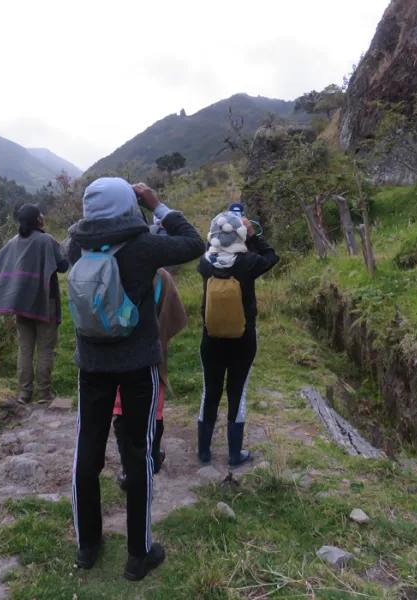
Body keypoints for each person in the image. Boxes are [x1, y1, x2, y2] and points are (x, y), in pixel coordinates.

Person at [67, 177, 204, 581]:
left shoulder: (77, 245)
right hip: (138, 365)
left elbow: (65, 254)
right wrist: (156, 203)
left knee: (86, 453)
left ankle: (88, 547)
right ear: (129, 205)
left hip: (91, 365)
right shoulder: (143, 247)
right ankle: (138, 555)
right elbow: (193, 243)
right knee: (138, 453)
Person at [196, 208, 279, 467]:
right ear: (241, 236)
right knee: (237, 393)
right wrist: (252, 236)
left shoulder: (204, 264)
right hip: (243, 338)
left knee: (210, 392)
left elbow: (212, 246)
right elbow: (271, 256)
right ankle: (234, 455)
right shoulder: (248, 263)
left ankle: (204, 452)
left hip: (211, 338)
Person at [0, 204, 69, 402]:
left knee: (25, 350)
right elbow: (63, 266)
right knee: (45, 349)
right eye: (41, 214)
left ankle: (24, 394)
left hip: (21, 305)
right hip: (46, 302)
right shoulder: (46, 240)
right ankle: (44, 394)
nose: (43, 216)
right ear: (38, 220)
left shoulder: (13, 242)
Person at [113, 266, 188, 491]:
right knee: (154, 408)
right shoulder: (161, 274)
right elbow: (173, 315)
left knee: (121, 410)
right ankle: (152, 460)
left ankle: (128, 470)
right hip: (151, 353)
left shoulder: (112, 267)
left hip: (118, 352)